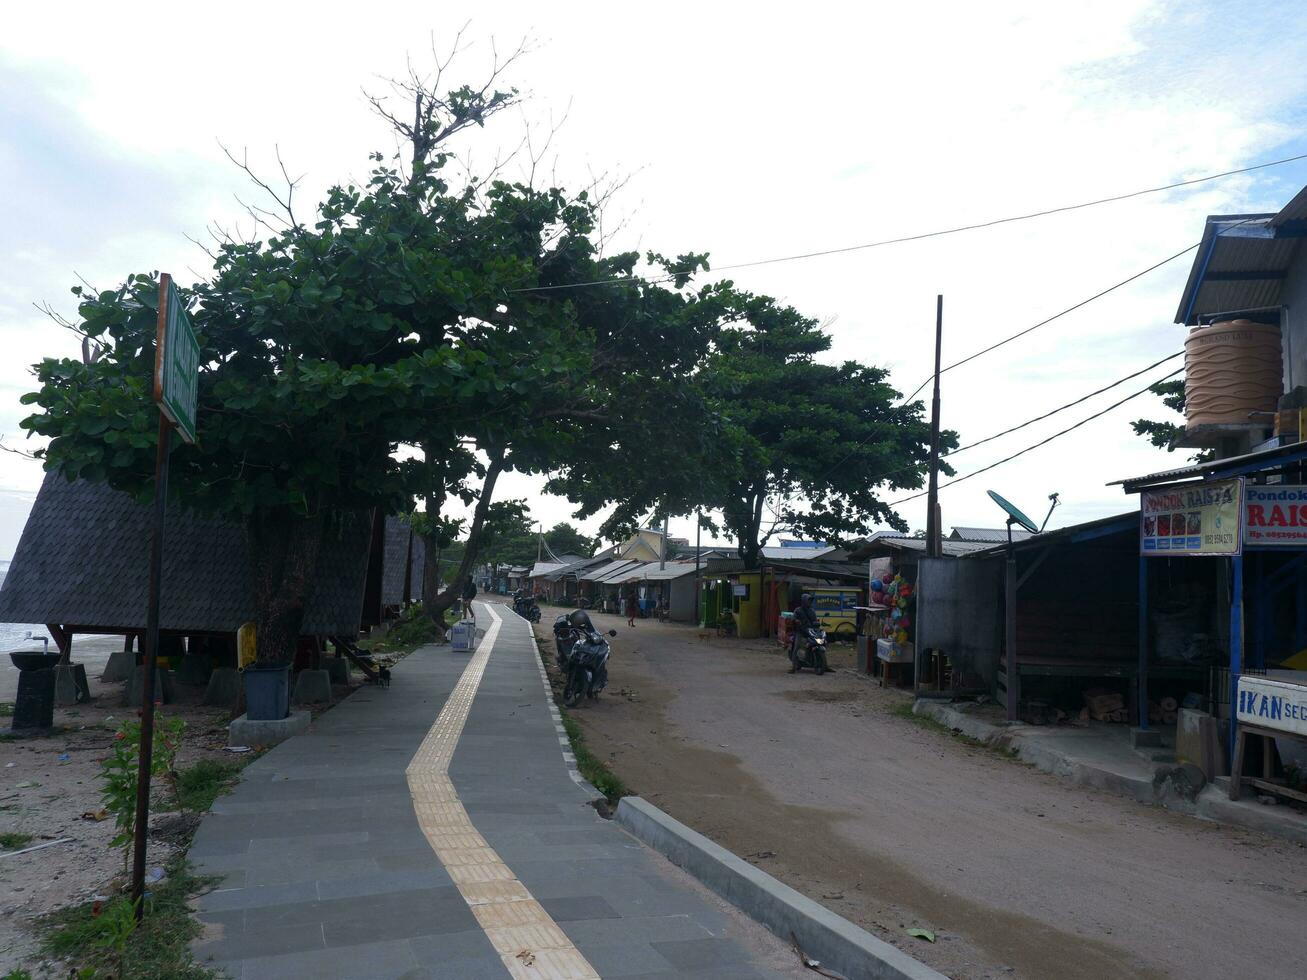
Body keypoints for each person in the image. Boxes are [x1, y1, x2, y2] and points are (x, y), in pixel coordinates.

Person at [789, 592, 820, 672]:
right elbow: (793, 618)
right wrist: (796, 620)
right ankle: (793, 667)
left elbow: (815, 620)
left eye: (810, 601)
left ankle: (824, 665)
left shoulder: (812, 611)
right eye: (808, 600)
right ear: (804, 601)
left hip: (811, 631)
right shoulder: (798, 610)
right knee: (796, 647)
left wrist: (817, 623)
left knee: (820, 643)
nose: (809, 602)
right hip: (801, 632)